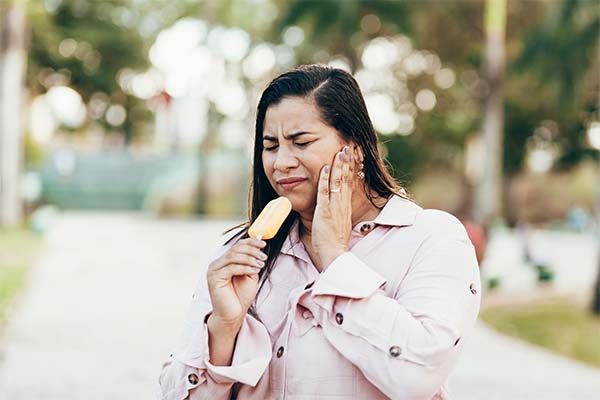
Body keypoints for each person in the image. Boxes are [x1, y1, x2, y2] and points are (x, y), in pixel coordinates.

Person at [157, 64, 481, 400]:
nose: (281, 162)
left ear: (354, 147)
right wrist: (223, 327)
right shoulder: (241, 255)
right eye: (270, 146)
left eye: (301, 142)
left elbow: (417, 376)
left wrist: (335, 260)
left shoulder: (430, 238)